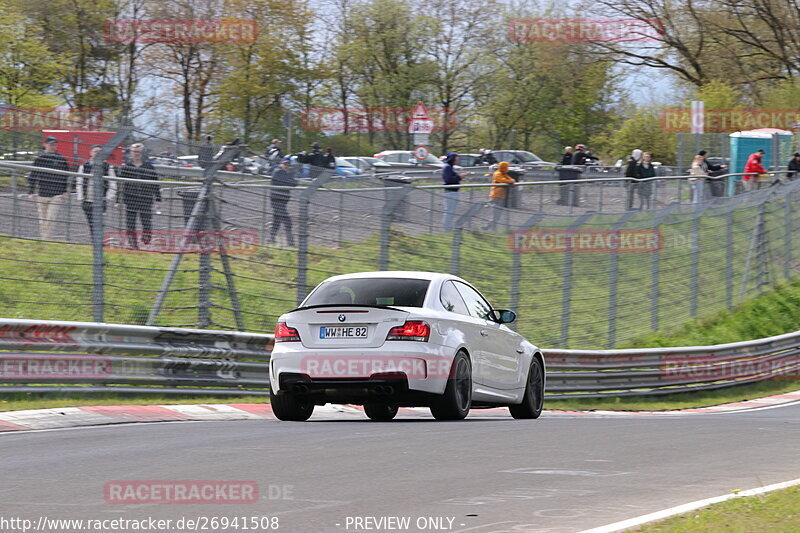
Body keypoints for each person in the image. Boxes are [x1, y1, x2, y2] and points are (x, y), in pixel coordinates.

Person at [28, 136, 70, 241]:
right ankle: (45, 239)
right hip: (42, 193)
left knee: (51, 218)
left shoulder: (61, 159)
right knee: (43, 219)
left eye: (54, 144)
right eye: (51, 144)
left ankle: (47, 240)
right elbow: (33, 175)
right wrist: (31, 191)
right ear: (45, 144)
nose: (53, 146)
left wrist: (64, 192)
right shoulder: (40, 159)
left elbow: (65, 177)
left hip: (56, 194)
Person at [119, 143, 161, 249]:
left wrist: (158, 199)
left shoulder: (149, 167)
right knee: (130, 223)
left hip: (146, 199)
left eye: (138, 152)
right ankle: (133, 245)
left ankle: (146, 240)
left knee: (146, 222)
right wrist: (117, 200)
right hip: (131, 199)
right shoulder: (126, 167)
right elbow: (121, 184)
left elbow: (155, 183)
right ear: (131, 153)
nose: (136, 154)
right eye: (134, 151)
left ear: (142, 153)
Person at [76, 144, 118, 238]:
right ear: (91, 153)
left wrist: (107, 197)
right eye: (95, 152)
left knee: (99, 223)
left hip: (101, 201)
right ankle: (94, 242)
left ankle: (99, 241)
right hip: (87, 200)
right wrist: (81, 198)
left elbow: (113, 183)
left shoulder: (107, 166)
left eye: (99, 152)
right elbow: (79, 181)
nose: (97, 154)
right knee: (91, 223)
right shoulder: (84, 166)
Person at [269, 157, 298, 246]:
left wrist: (291, 178)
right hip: (278, 200)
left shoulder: (284, 172)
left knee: (276, 221)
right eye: (285, 164)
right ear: (281, 164)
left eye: (288, 165)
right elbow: (293, 183)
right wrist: (291, 179)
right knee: (287, 221)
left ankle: (271, 239)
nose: (287, 166)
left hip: (281, 200)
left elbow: (293, 183)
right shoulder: (279, 172)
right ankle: (290, 243)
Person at [484, 161, 516, 231]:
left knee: (498, 214)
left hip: (501, 196)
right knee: (494, 213)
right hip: (495, 196)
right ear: (503, 167)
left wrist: (511, 180)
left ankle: (491, 228)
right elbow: (503, 180)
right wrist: (510, 181)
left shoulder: (504, 174)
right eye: (506, 167)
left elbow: (511, 179)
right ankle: (487, 227)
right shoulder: (497, 173)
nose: (507, 169)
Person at [442, 152, 466, 231]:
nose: (457, 160)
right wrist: (459, 176)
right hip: (450, 191)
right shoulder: (447, 167)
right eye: (456, 158)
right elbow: (449, 179)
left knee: (451, 211)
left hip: (453, 191)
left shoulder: (450, 167)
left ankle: (448, 228)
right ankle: (446, 229)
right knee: (449, 211)